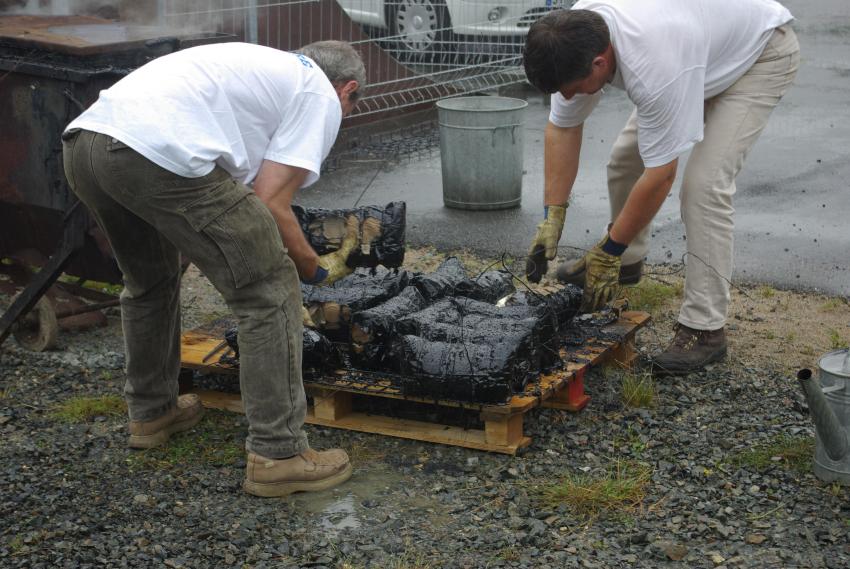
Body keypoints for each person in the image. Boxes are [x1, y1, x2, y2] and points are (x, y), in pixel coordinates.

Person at [61, 40, 366, 497]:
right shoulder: (320, 93)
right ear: (349, 90)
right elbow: (270, 202)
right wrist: (312, 267)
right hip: (150, 154)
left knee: (150, 281)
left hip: (86, 145)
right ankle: (279, 454)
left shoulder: (268, 70)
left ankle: (152, 411)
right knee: (268, 288)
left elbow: (242, 190)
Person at [523, 0, 799, 375]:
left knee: (703, 189)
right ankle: (628, 262)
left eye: (572, 89)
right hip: (695, 52)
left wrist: (608, 248)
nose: (568, 97)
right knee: (624, 160)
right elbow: (563, 127)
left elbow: (660, 175)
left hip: (757, 56)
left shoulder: (654, 67)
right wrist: (551, 215)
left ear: (600, 63)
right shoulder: (572, 34)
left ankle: (705, 329)